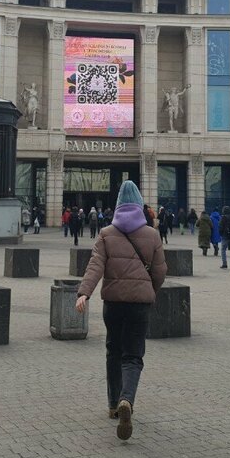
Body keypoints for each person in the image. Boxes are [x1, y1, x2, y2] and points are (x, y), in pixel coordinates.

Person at [75, 180, 167, 441]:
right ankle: (128, 399)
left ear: (117, 207)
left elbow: (95, 266)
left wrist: (84, 293)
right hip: (140, 306)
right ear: (139, 206)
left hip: (113, 304)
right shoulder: (152, 235)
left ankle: (114, 404)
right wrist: (150, 291)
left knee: (113, 351)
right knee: (133, 355)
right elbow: (160, 271)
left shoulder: (106, 233)